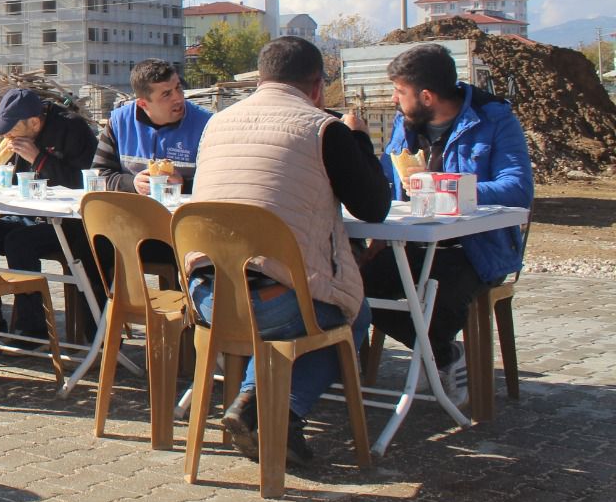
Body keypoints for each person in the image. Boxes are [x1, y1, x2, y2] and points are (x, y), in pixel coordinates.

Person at [188, 36, 391, 466]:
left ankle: (257, 406)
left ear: (261, 78)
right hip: (276, 301)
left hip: (209, 296)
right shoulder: (323, 129)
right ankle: (277, 411)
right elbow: (374, 207)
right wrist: (360, 141)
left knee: (302, 309)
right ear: (317, 87)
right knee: (352, 313)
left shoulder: (215, 124)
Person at [362, 43, 533, 400]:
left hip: (475, 247)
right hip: (411, 240)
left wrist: (441, 186)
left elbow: (517, 188)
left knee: (442, 303)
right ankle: (445, 355)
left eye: (400, 92)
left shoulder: (494, 118)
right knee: (351, 289)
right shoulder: (406, 123)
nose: (394, 100)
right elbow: (388, 183)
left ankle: (440, 357)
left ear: (426, 96)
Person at [0, 88, 98, 341]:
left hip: (71, 222)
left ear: (35, 122)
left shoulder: (72, 129)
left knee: (19, 241)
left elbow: (86, 181)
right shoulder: (20, 136)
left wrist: (40, 159)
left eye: (11, 128)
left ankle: (33, 329)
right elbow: (20, 183)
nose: (7, 135)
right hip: (33, 214)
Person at [94, 59, 211, 195]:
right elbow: (98, 175)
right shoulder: (118, 123)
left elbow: (220, 182)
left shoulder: (206, 125)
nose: (178, 98)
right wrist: (132, 184)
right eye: (166, 94)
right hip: (134, 213)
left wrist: (184, 185)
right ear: (143, 104)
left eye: (178, 88)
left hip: (185, 214)